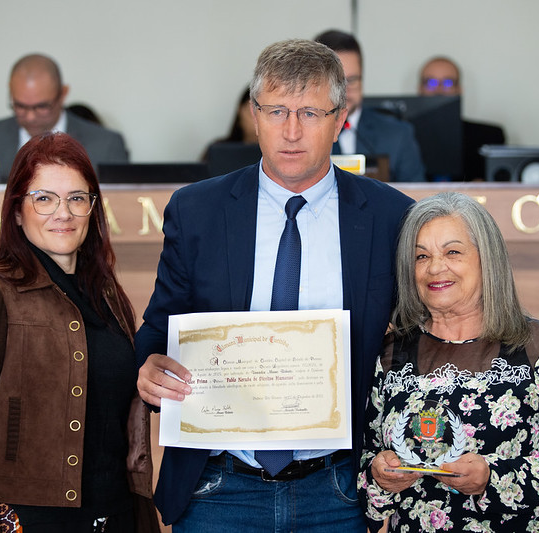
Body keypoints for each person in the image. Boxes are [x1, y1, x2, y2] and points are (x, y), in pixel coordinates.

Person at [135, 38, 415, 531]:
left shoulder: (391, 216)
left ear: (340, 117)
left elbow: (440, 326)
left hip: (339, 489)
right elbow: (159, 329)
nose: (290, 131)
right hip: (218, 487)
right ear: (253, 113)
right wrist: (148, 365)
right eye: (276, 110)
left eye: (309, 113)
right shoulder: (197, 211)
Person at [0, 133, 159, 533]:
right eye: (44, 198)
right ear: (18, 212)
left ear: (92, 210)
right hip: (33, 520)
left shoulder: (107, 293)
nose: (64, 213)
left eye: (77, 198)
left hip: (117, 514)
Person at [358, 192, 539, 531]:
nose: (435, 267)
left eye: (452, 252)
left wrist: (492, 479)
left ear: (487, 258)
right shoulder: (389, 353)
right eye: (420, 256)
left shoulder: (535, 345)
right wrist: (380, 479)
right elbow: (362, 461)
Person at [0, 54, 129, 179]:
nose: (30, 117)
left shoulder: (106, 145)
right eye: (20, 106)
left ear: (63, 94)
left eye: (41, 107)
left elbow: (121, 209)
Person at [314, 30, 426, 182]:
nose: (344, 90)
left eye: (352, 80)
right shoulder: (298, 134)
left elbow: (417, 201)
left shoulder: (398, 135)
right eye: (336, 82)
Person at [418, 56, 506, 181]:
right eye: (431, 82)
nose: (438, 90)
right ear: (419, 88)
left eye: (447, 83)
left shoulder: (489, 136)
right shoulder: (401, 136)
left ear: (459, 89)